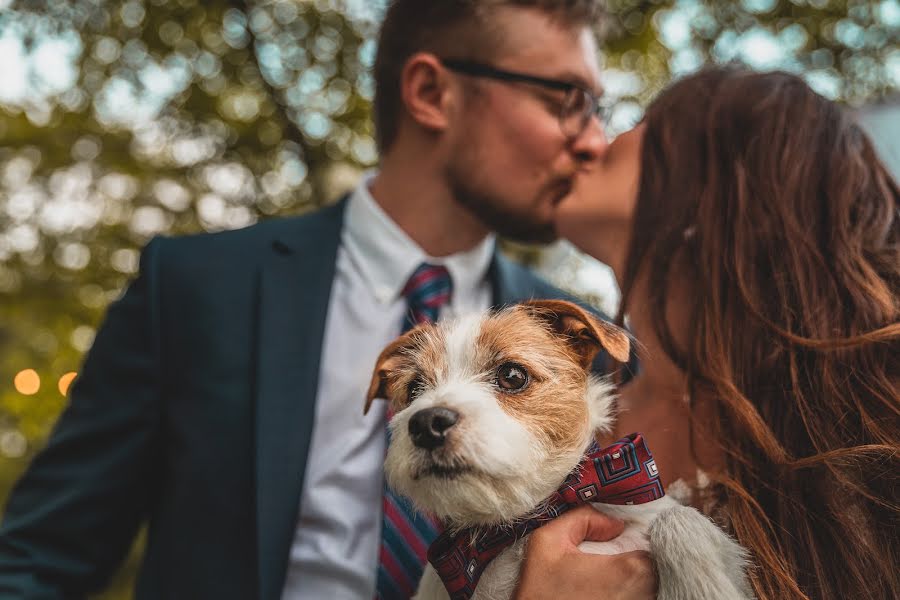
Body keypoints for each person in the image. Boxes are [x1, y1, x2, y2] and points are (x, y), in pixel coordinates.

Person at [0, 1, 658, 599]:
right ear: (432, 93)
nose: (593, 140)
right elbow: (41, 558)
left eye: (596, 108)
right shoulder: (196, 285)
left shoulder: (579, 341)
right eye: (565, 97)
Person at [556, 65, 900, 600]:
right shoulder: (552, 411)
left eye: (644, 120)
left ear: (715, 177)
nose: (593, 140)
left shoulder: (868, 447)